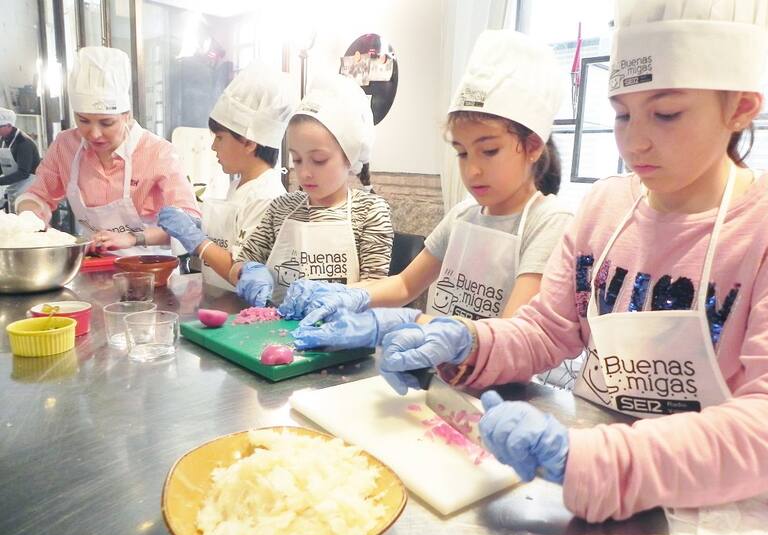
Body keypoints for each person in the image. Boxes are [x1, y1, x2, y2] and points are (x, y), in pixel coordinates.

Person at [378, 0, 768, 523]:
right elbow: (546, 331)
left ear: (740, 107)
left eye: (666, 113)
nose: (634, 141)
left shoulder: (757, 228)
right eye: (622, 114)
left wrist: (597, 459)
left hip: (713, 513)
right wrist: (471, 342)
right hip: (587, 488)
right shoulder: (605, 208)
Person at [285, 30, 573, 352]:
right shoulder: (463, 215)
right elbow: (405, 284)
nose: (472, 170)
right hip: (444, 368)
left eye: (489, 151)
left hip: (503, 380)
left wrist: (404, 323)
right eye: (462, 152)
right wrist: (349, 295)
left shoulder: (550, 222)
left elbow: (510, 334)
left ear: (532, 146)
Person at [15, 47, 199, 255]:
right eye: (83, 120)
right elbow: (38, 195)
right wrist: (30, 216)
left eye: (106, 123)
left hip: (150, 265)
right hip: (94, 262)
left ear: (126, 115)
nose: (94, 134)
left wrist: (134, 238)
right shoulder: (65, 145)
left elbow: (190, 223)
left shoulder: (158, 152)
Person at [230, 73, 393, 305]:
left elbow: (376, 287)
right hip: (274, 324)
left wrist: (330, 297)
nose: (305, 172)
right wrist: (247, 272)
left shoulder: (370, 211)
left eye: (318, 160)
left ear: (349, 157)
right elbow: (240, 264)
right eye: (297, 160)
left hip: (342, 326)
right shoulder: (281, 208)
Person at [157, 61, 296, 291]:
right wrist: (199, 227)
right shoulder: (239, 185)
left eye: (220, 138)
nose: (213, 146)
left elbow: (241, 272)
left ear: (249, 143)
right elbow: (231, 240)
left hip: (244, 307)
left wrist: (197, 240)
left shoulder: (267, 196)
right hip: (223, 300)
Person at [0, 107, 41, 212]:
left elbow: (23, 173)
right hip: (15, 181)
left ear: (9, 125)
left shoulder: (23, 143)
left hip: (29, 183)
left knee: (23, 213)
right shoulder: (3, 140)